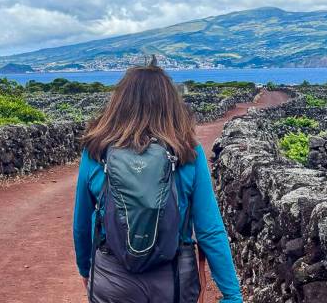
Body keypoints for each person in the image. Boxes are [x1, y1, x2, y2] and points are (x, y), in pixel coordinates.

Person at [72, 60, 243, 303]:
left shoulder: (96, 151)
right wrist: (231, 295)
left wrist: (85, 269)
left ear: (119, 103)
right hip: (174, 281)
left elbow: (81, 224)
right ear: (170, 104)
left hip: (112, 279)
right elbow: (209, 229)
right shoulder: (187, 152)